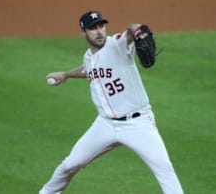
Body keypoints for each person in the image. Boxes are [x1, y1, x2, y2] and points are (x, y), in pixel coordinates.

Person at [39, 10, 184, 194]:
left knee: (164, 170)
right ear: (84, 33)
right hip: (105, 124)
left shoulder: (117, 44)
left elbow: (130, 31)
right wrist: (66, 74)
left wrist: (137, 29)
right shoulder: (88, 56)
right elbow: (88, 69)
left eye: (101, 26)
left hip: (138, 123)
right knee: (69, 165)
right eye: (93, 28)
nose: (99, 31)